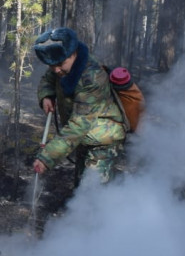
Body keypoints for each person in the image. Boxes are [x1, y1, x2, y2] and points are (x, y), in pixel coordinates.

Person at [31, 27, 126, 186]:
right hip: (84, 138)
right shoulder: (60, 65)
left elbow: (78, 125)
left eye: (60, 64)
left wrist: (46, 158)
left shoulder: (92, 77)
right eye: (51, 65)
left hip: (103, 140)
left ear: (73, 53)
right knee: (81, 187)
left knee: (93, 192)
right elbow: (48, 79)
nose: (56, 69)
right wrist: (46, 96)